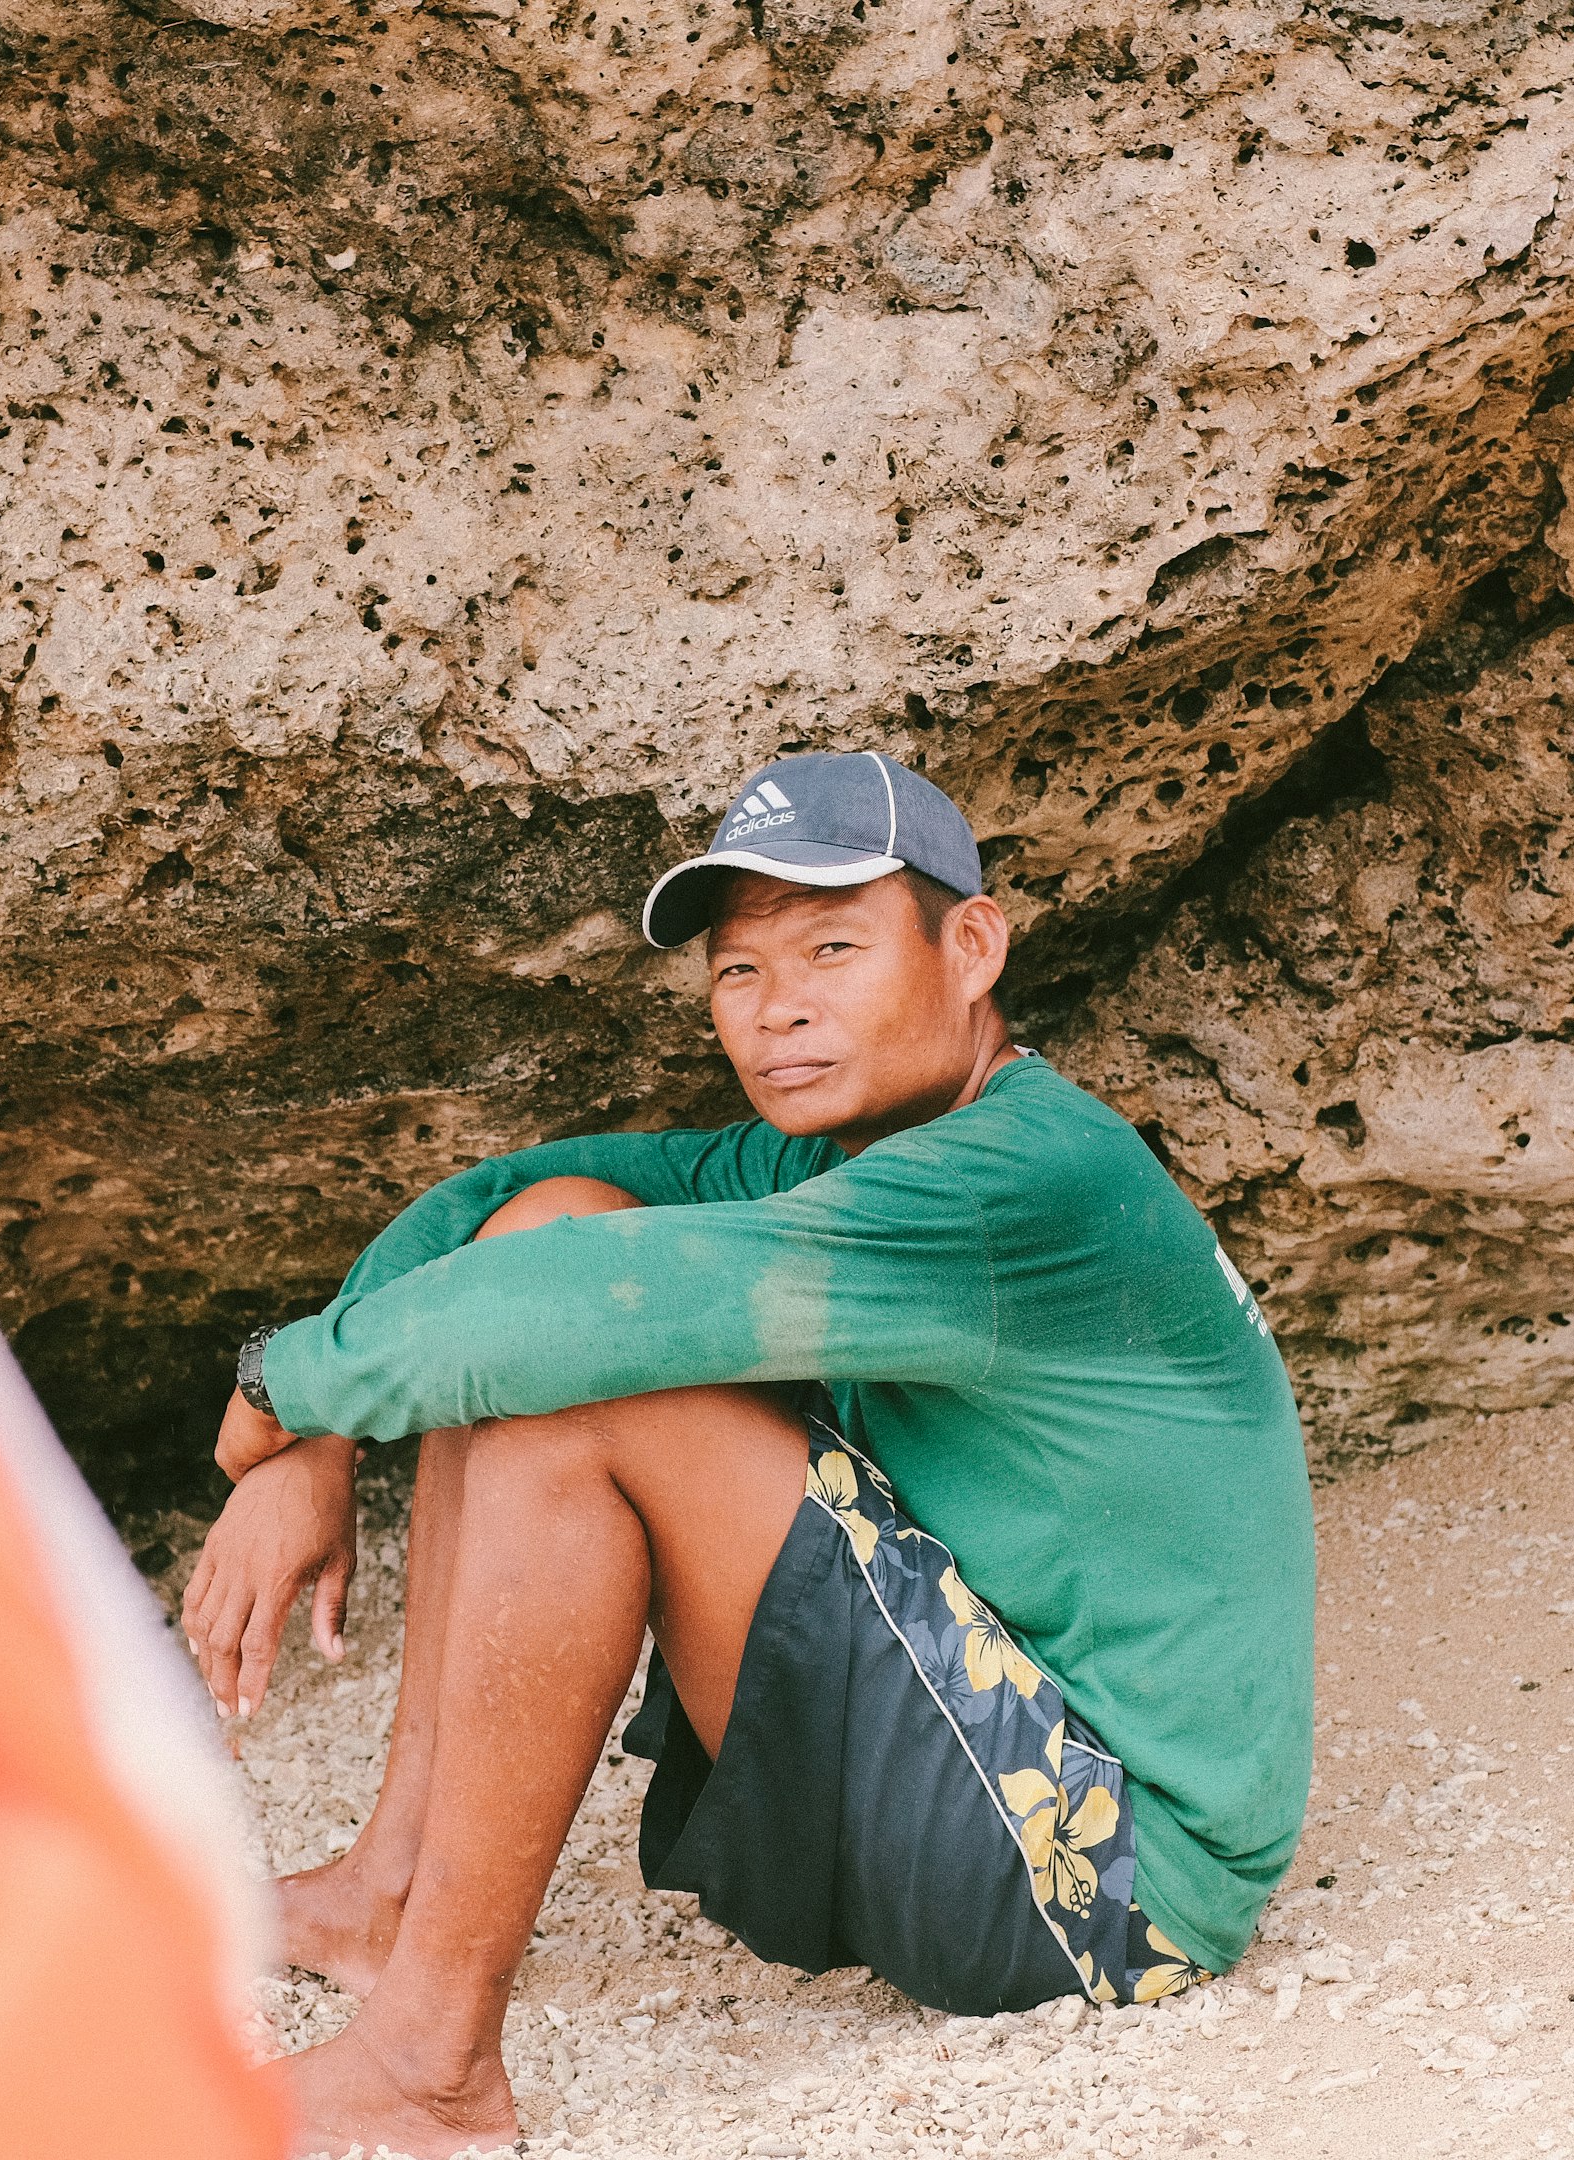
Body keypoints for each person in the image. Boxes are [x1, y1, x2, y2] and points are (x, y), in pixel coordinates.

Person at [184, 750, 1317, 2157]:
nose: (778, 1007)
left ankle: (428, 2066)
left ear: (973, 948)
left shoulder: (1026, 1174)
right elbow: (503, 1205)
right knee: (558, 1222)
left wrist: (283, 1389)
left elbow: (567, 1318)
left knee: (584, 1386)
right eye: (738, 971)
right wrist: (319, 1433)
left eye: (833, 950)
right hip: (997, 1756)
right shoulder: (848, 1149)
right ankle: (390, 1891)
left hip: (1109, 1881)